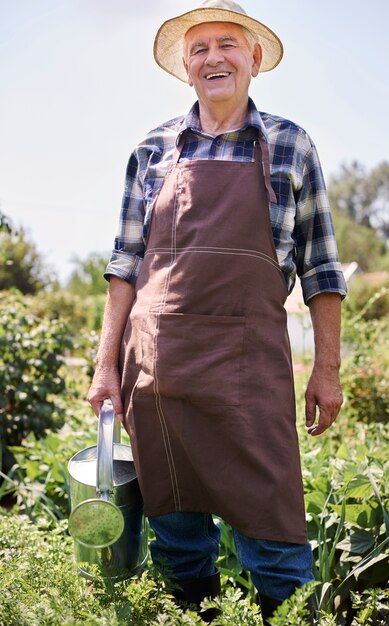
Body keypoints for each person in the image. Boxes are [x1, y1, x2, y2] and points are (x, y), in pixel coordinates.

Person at [88, 1, 347, 623]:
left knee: (278, 546)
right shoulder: (152, 151)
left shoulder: (289, 144)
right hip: (158, 373)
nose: (214, 58)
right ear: (185, 67)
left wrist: (328, 369)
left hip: (247, 369)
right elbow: (125, 265)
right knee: (179, 547)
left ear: (253, 59)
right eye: (199, 49)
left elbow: (322, 269)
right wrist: (105, 369)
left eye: (228, 44)